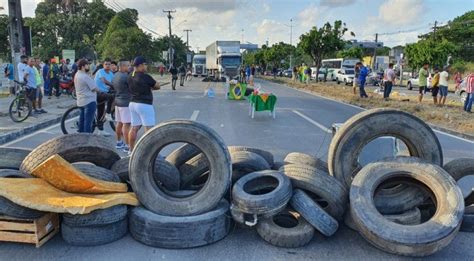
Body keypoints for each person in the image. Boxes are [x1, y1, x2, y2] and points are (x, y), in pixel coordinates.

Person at [128, 56, 160, 153]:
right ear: (140, 65)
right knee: (149, 130)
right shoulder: (145, 76)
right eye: (145, 64)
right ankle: (149, 153)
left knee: (134, 128)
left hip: (133, 103)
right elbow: (157, 86)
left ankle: (131, 150)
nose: (146, 67)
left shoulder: (130, 75)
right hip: (144, 105)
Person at [74, 59, 99, 133]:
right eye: (87, 65)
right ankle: (87, 140)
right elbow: (94, 88)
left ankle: (81, 140)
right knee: (88, 123)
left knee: (82, 122)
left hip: (81, 102)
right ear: (83, 66)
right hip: (89, 101)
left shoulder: (77, 74)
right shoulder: (85, 76)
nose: (88, 66)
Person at [113, 60, 132, 152]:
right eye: (128, 66)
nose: (129, 67)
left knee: (119, 123)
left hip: (117, 102)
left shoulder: (115, 75)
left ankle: (119, 142)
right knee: (126, 124)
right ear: (123, 66)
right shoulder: (125, 77)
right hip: (125, 103)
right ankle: (128, 145)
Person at [94, 58, 115, 136]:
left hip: (104, 93)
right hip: (98, 93)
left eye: (109, 64)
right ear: (103, 65)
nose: (107, 65)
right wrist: (113, 85)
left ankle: (100, 129)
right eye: (106, 64)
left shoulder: (111, 73)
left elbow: (114, 81)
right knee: (110, 97)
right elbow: (104, 81)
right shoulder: (100, 71)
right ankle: (108, 113)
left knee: (101, 111)